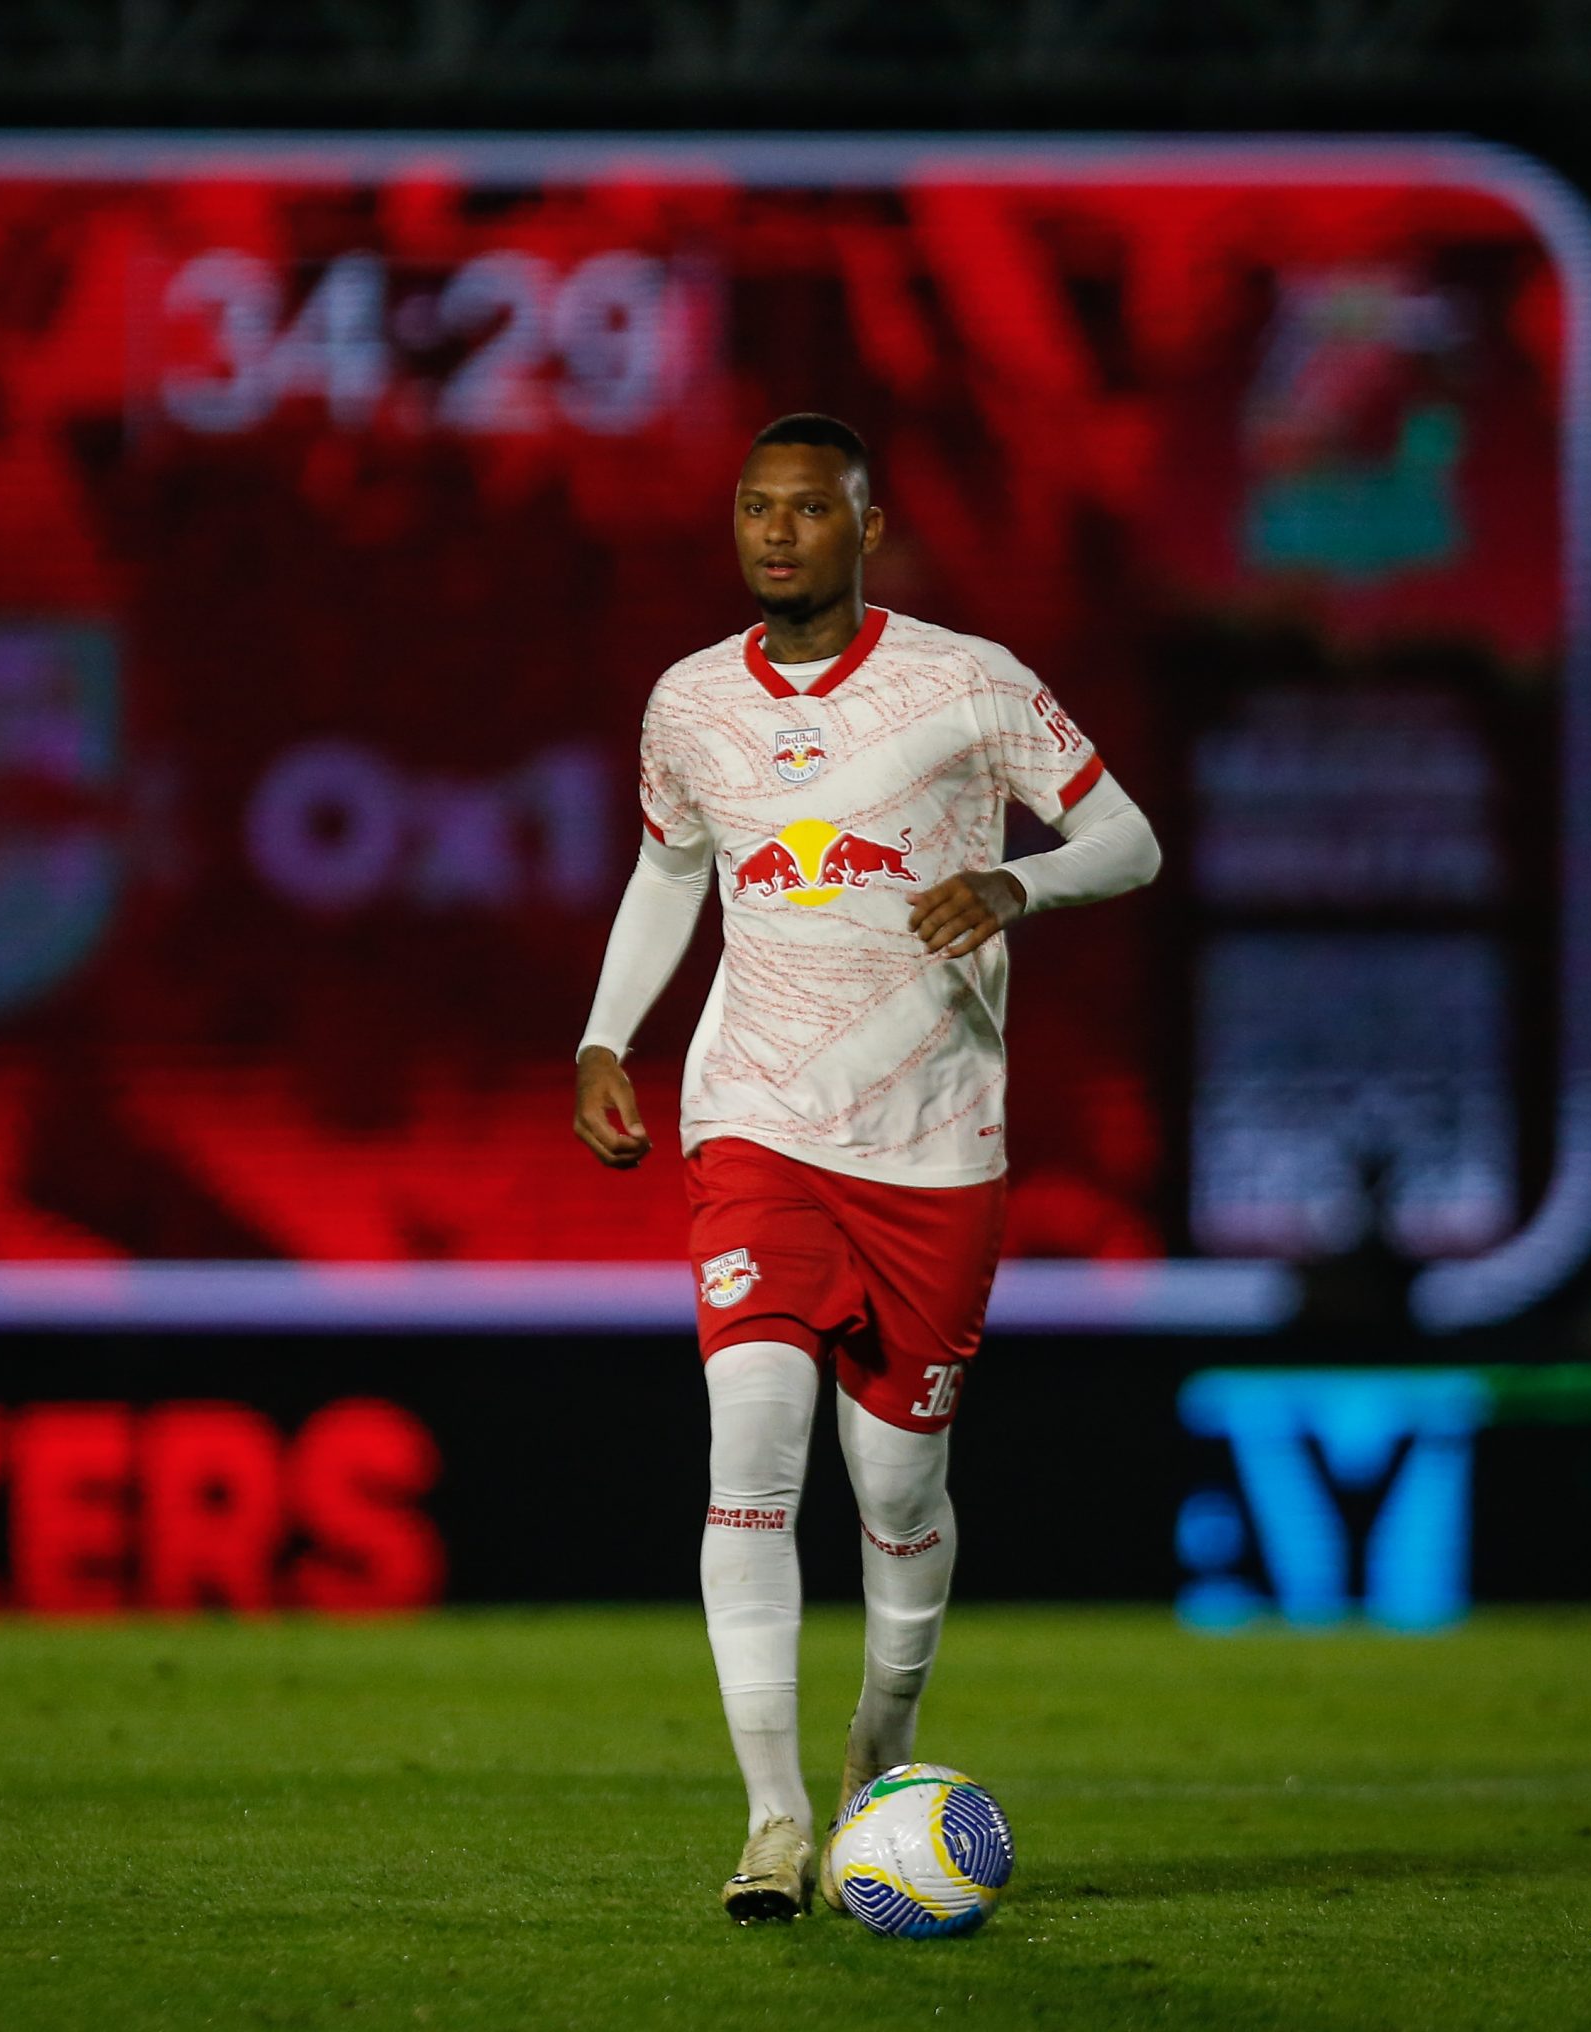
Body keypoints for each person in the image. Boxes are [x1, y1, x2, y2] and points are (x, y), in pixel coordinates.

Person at [571, 413, 1162, 1922]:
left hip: (933, 1146)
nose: (777, 534)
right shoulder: (689, 703)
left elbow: (1130, 839)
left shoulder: (966, 682)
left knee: (898, 1490)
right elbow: (667, 870)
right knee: (749, 1459)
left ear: (867, 525)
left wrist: (1016, 878)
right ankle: (772, 1823)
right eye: (755, 510)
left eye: (808, 511)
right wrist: (603, 1037)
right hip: (755, 1122)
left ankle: (874, 1766)